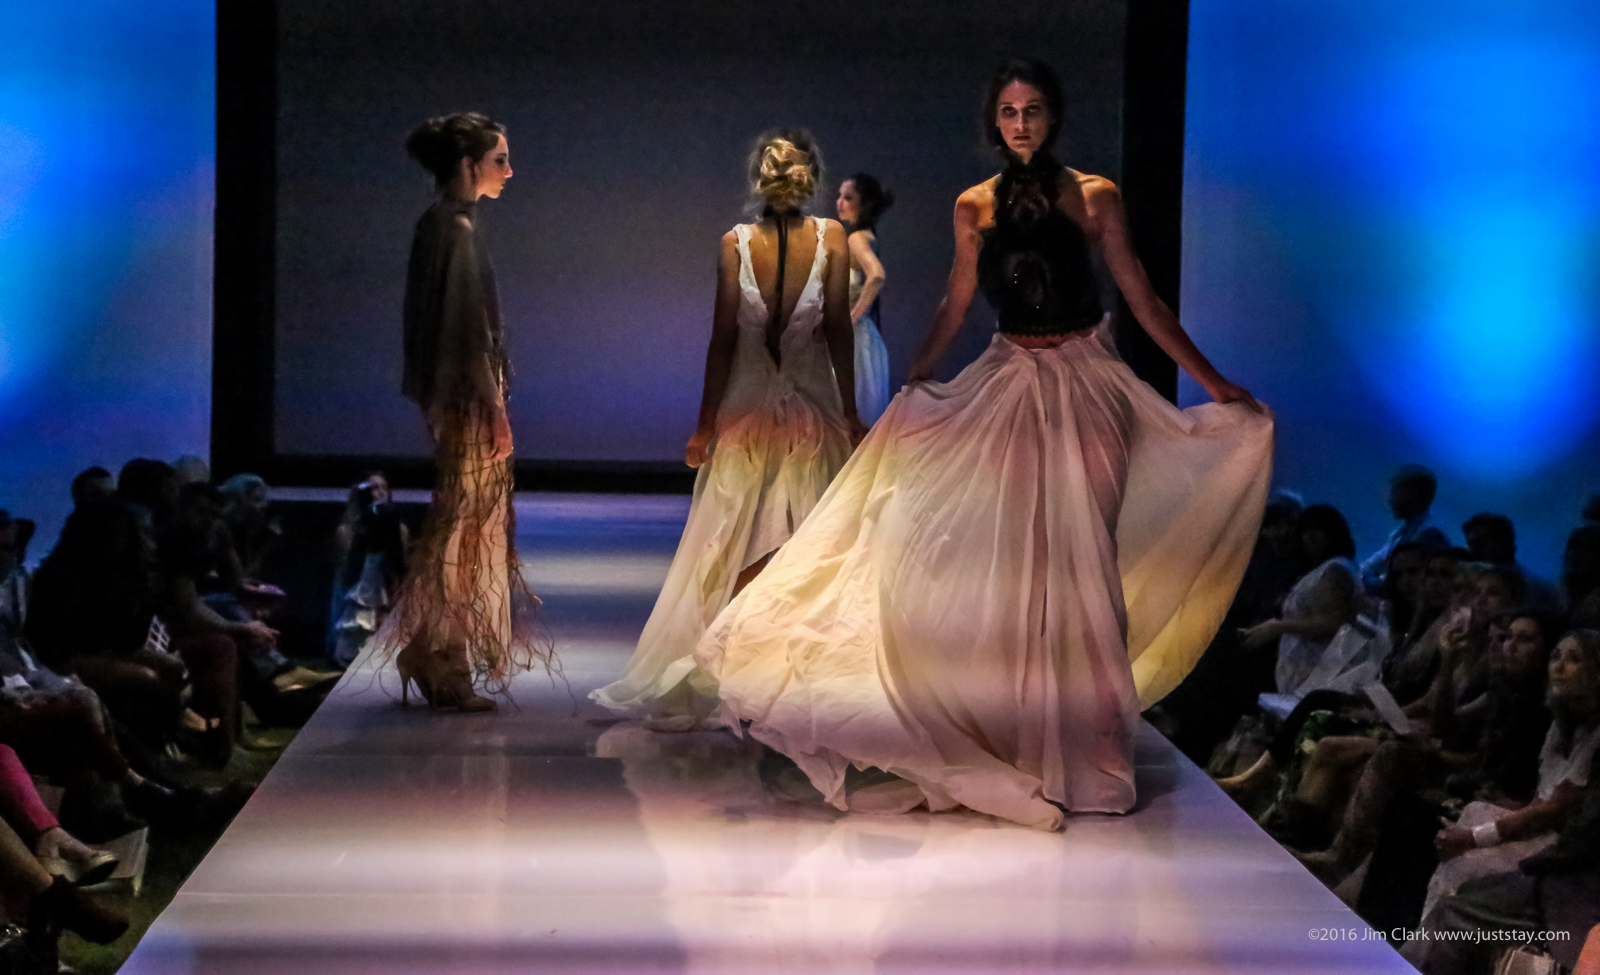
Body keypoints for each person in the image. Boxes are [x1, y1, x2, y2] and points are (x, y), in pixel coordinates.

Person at [692, 59, 1273, 830]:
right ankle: (1022, 741)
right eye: (1008, 111)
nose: (1021, 123)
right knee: (1018, 570)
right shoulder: (974, 205)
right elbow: (958, 299)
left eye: (1032, 110)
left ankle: (1088, 755)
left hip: (1090, 385)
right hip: (1008, 384)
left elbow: (1141, 296)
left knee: (1087, 564)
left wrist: (1216, 383)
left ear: (1053, 116)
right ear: (994, 123)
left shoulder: (1096, 195)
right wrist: (919, 376)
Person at [591, 129, 865, 728]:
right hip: (806, 415)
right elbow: (836, 331)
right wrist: (848, 412)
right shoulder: (830, 238)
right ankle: (773, 672)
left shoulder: (736, 243)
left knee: (734, 538)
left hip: (754, 415)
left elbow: (724, 340)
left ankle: (744, 664)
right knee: (798, 538)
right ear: (809, 180)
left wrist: (705, 426)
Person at [371, 112, 551, 712]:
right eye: (499, 160)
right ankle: (440, 655)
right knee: (467, 528)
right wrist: (496, 410)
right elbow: (470, 334)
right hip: (468, 402)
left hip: (449, 400)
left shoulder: (438, 223)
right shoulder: (458, 230)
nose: (509, 171)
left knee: (463, 523)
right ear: (469, 164)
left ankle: (436, 651)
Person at [1241, 504, 1362, 698]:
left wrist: (1278, 627)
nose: (1310, 535)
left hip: (1320, 674)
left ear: (1334, 532)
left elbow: (1334, 624)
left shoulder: (1335, 569)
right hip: (1306, 672)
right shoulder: (1319, 570)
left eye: (1318, 528)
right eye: (1305, 529)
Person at [835, 173, 894, 425]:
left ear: (865, 204)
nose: (839, 202)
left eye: (848, 197)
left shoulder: (857, 238)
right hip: (864, 340)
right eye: (840, 195)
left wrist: (850, 318)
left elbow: (877, 275)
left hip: (855, 344)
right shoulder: (866, 235)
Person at [1358, 465, 1449, 589]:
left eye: (1396, 493)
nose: (1391, 500)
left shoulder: (1429, 534)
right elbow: (1373, 564)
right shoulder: (1400, 533)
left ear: (1414, 496)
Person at [1463, 512, 1561, 609]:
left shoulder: (1533, 587)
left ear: (1504, 542)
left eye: (1482, 541)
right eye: (1471, 544)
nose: (1475, 549)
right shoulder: (1467, 583)